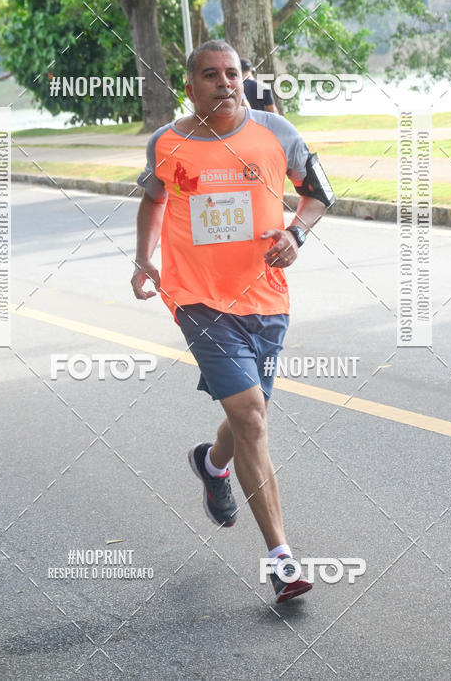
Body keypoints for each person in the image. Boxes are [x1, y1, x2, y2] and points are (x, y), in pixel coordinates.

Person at [131, 39, 335, 603]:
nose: (225, 83)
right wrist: (145, 256)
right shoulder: (167, 141)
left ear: (244, 78)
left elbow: (321, 193)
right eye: (211, 75)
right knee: (250, 414)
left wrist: (295, 233)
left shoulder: (276, 131)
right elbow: (153, 199)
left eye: (233, 74)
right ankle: (281, 560)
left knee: (251, 416)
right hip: (196, 298)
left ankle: (212, 463)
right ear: (190, 84)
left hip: (266, 297)